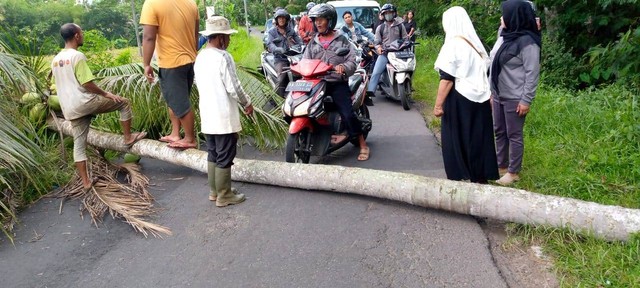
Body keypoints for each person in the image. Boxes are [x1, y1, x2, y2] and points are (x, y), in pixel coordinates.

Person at [51, 23, 146, 191]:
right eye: (82, 32)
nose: (83, 35)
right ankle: (127, 138)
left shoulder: (55, 59)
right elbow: (87, 83)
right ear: (76, 36)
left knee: (79, 145)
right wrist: (106, 94)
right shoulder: (77, 56)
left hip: (69, 108)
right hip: (85, 102)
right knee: (123, 103)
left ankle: (87, 183)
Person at [432, 7, 499, 183]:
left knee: (456, 141)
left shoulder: (453, 44)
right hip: (480, 100)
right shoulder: (476, 44)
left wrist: (438, 105)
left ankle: (459, 179)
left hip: (459, 100)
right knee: (477, 140)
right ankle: (479, 178)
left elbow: (447, 79)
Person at [194, 16, 254, 207]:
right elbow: (234, 87)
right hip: (223, 116)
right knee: (225, 154)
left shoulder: (200, 56)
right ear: (220, 38)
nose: (228, 41)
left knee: (213, 152)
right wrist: (247, 103)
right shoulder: (223, 57)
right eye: (227, 37)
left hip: (207, 114)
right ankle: (224, 195)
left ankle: (215, 191)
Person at [303, 4, 370, 161]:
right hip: (317, 83)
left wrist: (343, 67)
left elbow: (352, 60)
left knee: (347, 113)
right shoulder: (313, 42)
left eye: (321, 20)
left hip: (336, 83)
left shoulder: (342, 39)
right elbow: (305, 61)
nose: (318, 23)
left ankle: (362, 144)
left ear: (330, 21)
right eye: (315, 20)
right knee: (307, 108)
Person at [490, 0, 541, 185]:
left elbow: (532, 73)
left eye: (505, 14)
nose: (502, 18)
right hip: (498, 94)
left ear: (515, 16)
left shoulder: (528, 43)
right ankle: (501, 165)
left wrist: (526, 100)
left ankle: (513, 172)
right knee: (499, 131)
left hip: (514, 96)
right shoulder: (504, 35)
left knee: (514, 134)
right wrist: (491, 92)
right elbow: (493, 63)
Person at [140, 0, 199, 150]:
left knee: (179, 102)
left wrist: (146, 64)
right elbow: (195, 33)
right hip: (189, 60)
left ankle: (190, 138)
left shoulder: (152, 4)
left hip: (171, 62)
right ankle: (175, 133)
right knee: (174, 100)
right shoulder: (190, 3)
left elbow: (148, 37)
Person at [366, 3, 407, 99]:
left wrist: (405, 44)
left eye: (390, 12)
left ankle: (407, 90)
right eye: (386, 13)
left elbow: (405, 38)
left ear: (394, 13)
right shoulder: (380, 28)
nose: (388, 14)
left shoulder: (400, 26)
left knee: (406, 69)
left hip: (399, 53)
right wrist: (378, 48)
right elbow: (376, 42)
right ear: (383, 15)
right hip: (385, 53)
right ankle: (370, 93)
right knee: (376, 71)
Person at [266, 9, 303, 97]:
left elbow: (299, 40)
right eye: (279, 18)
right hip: (280, 59)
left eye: (283, 18)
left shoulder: (291, 30)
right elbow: (270, 44)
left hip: (293, 57)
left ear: (286, 20)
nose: (281, 20)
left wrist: (303, 46)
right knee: (281, 78)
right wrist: (277, 49)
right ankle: (274, 98)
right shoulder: (272, 32)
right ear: (277, 20)